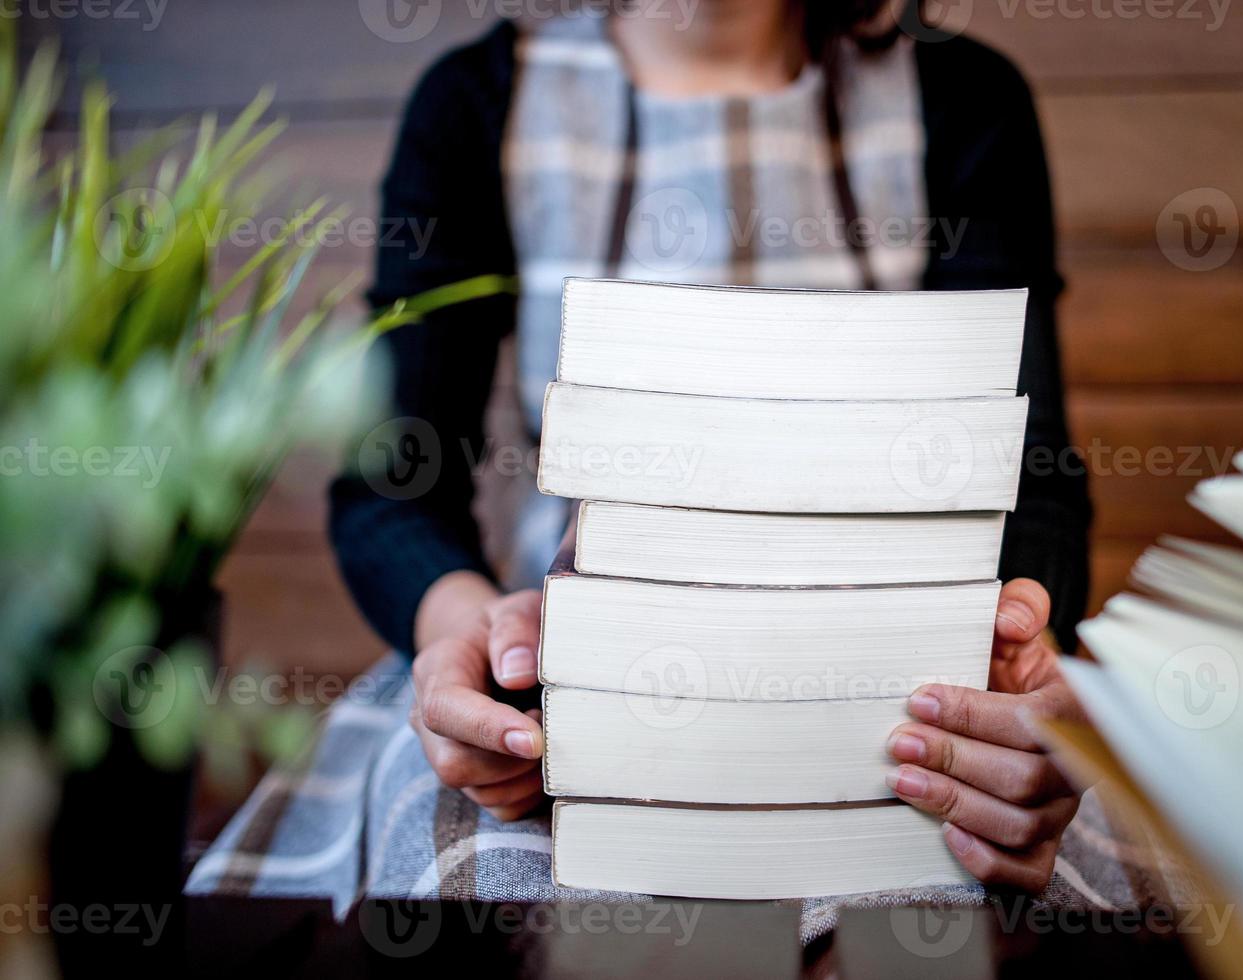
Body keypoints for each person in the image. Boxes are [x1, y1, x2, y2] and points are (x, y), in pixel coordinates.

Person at [330, 0, 1092, 893]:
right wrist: (467, 632)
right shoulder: (475, 105)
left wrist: (1022, 662)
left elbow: (1029, 473)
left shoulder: (963, 96)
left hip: (891, 701)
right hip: (562, 694)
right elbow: (392, 485)